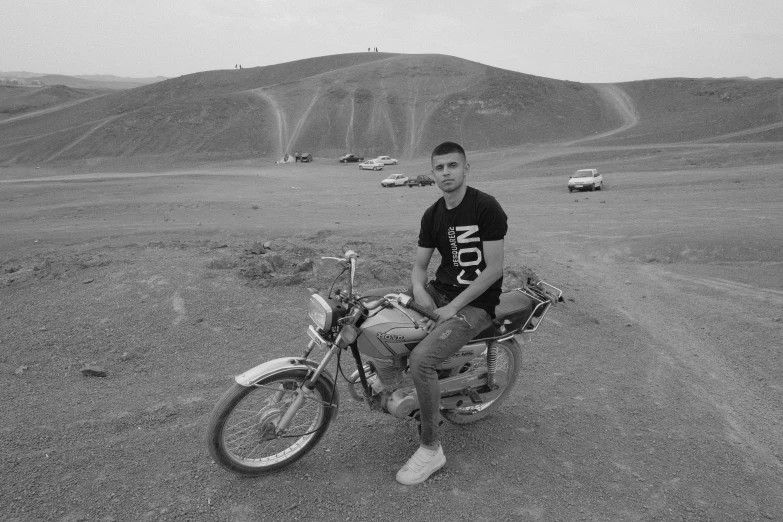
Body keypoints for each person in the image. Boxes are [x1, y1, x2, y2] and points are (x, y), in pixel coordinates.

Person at [395, 141, 508, 485]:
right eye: (440, 167)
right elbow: (419, 267)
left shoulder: (485, 207)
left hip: (476, 304)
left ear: (465, 168)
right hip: (441, 291)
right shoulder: (433, 214)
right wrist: (418, 289)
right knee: (381, 311)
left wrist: (452, 308)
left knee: (422, 361)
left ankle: (431, 450)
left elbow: (494, 269)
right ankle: (390, 387)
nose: (446, 172)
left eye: (452, 166)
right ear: (433, 174)